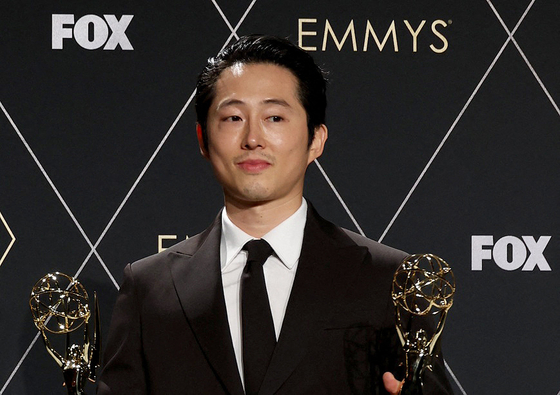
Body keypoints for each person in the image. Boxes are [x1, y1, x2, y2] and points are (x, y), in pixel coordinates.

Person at [97, 34, 453, 394]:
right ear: (203, 139)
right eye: (234, 117)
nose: (253, 138)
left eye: (275, 117)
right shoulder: (149, 289)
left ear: (316, 139)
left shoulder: (388, 279)